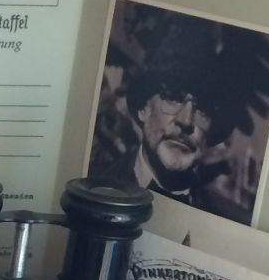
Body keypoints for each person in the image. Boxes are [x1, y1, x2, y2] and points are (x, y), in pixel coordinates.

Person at [90, 38, 249, 222]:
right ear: (144, 109)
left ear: (211, 133)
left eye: (204, 109)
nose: (186, 120)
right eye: (173, 97)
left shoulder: (230, 221)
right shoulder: (91, 185)